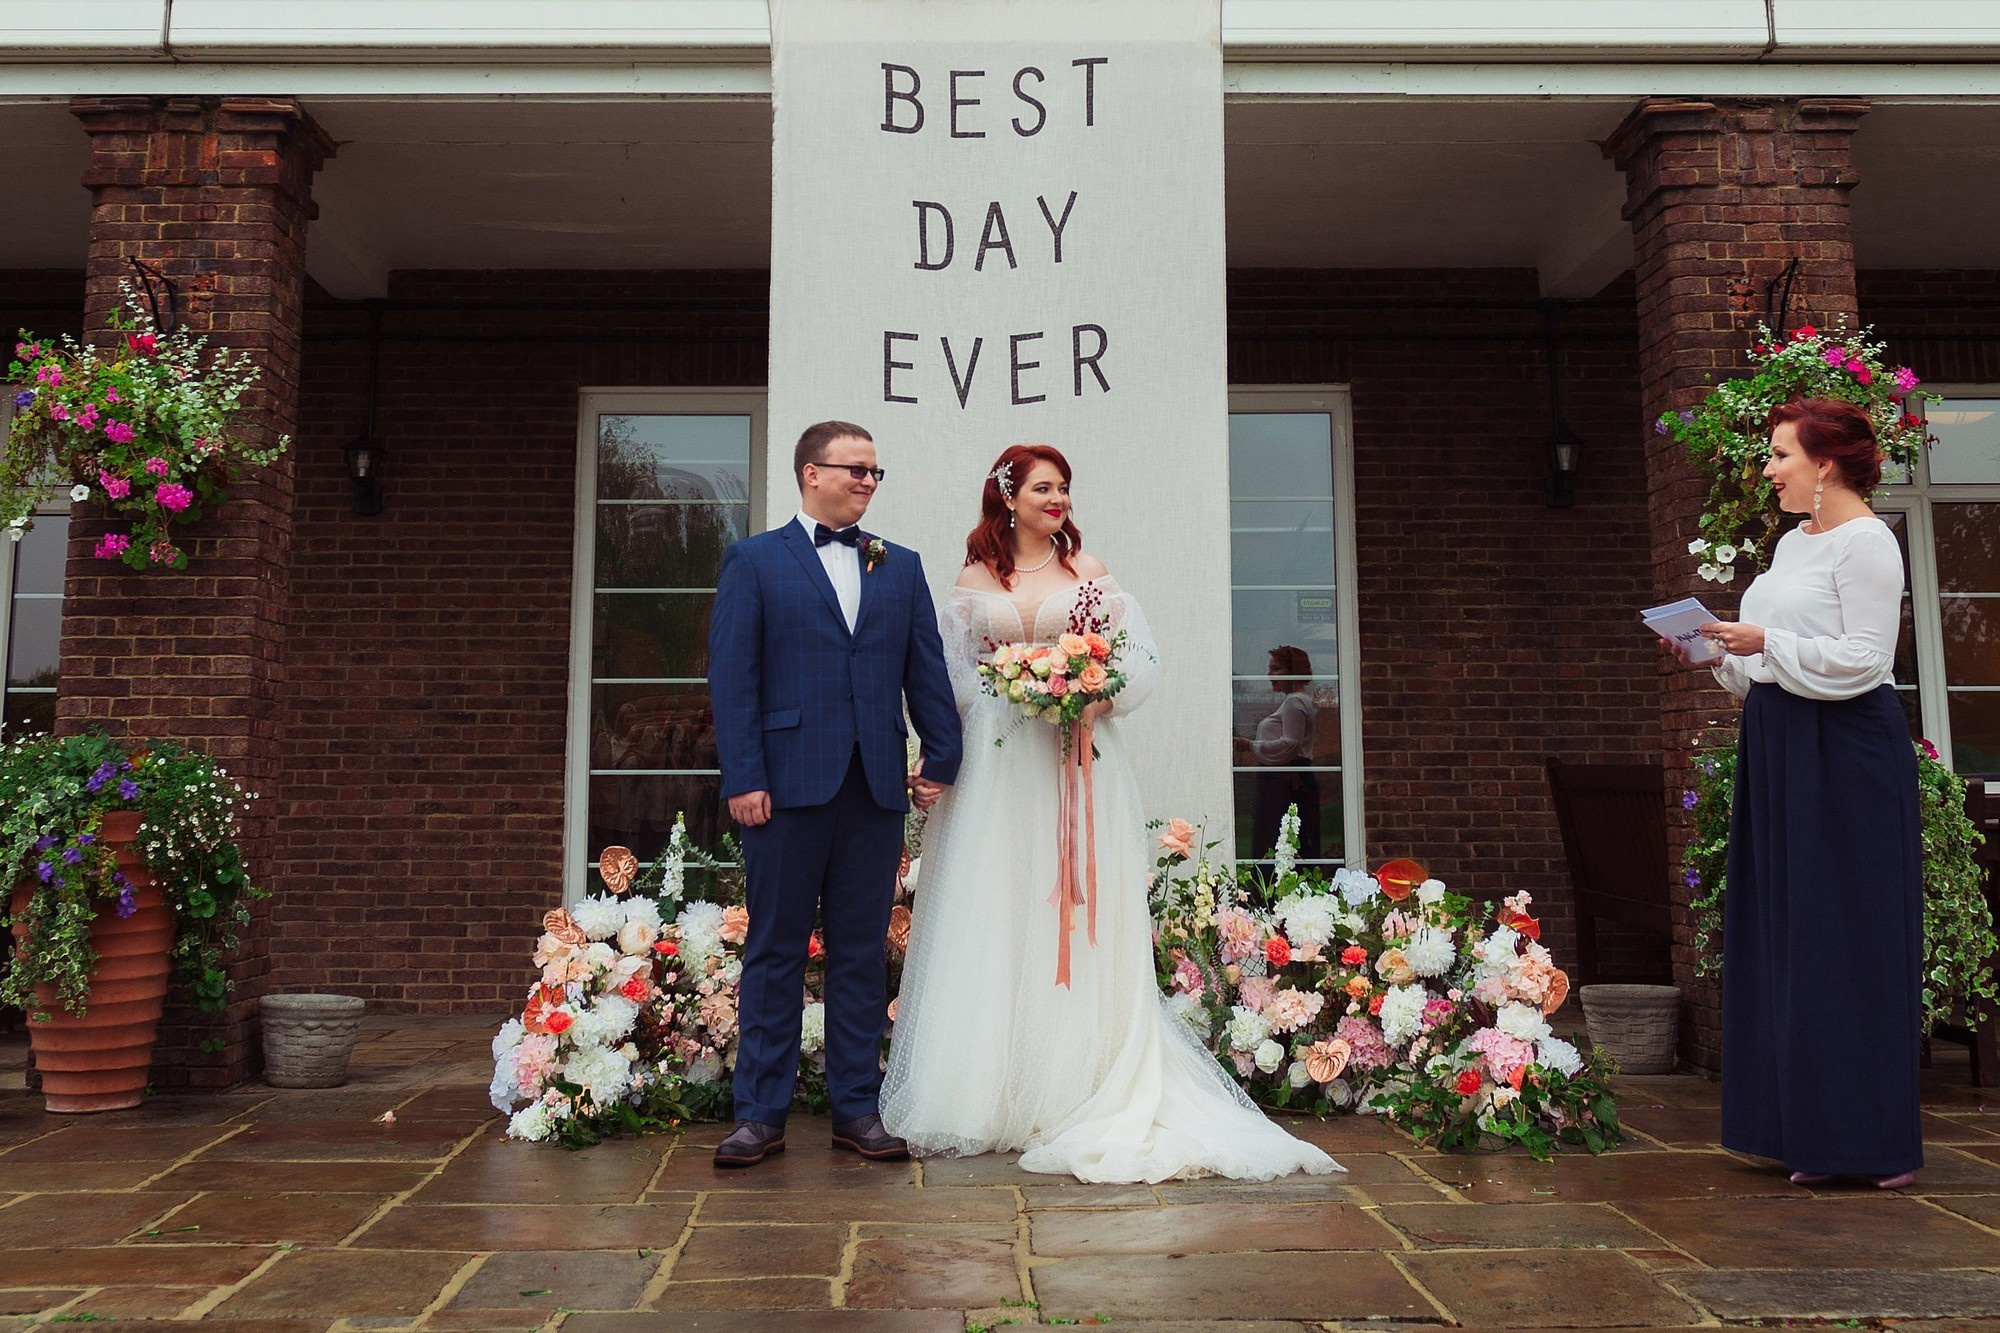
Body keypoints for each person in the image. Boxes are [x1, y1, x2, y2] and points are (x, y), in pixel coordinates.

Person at [880, 444, 1338, 1183]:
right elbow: (948, 674)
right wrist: (970, 723)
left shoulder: (1087, 573)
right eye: (1042, 487)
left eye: (1063, 487)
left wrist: (1094, 692)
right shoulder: (972, 579)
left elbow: (1140, 658)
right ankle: (987, 1089)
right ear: (1008, 496)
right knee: (998, 905)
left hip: (1078, 757)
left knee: (1074, 909)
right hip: (999, 765)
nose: (1057, 498)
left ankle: (1078, 1081)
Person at [1671, 397, 1922, 1190]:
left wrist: (1765, 640)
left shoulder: (1869, 542)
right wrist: (1719, 653)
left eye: (1781, 454)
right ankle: (1797, 1128)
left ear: (1827, 462)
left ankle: (1869, 1142)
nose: (1770, 468)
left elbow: (1862, 658)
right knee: (1784, 929)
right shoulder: (1789, 547)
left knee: (1847, 931)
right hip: (1779, 743)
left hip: (1846, 751)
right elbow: (1769, 667)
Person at [706, 420, 963, 1168]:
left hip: (874, 789)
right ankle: (759, 1114)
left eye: (876, 472)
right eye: (855, 469)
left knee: (860, 954)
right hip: (782, 790)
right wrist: (745, 775)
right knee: (775, 950)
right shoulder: (754, 561)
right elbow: (734, 677)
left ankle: (858, 1109)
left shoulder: (899, 565)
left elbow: (926, 671)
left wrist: (940, 756)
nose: (868, 482)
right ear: (810, 473)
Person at [1237, 645, 1323, 861]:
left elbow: (1290, 744)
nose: (1269, 675)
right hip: (1286, 778)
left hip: (1285, 780)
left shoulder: (1294, 702)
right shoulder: (1296, 701)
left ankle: (1273, 889)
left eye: (1276, 669)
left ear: (1293, 671)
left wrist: (1250, 745)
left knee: (1278, 835)